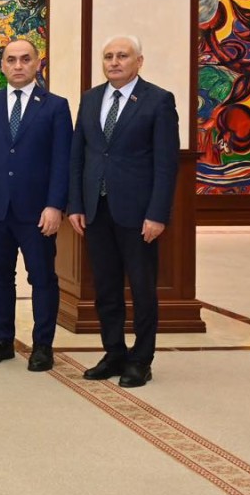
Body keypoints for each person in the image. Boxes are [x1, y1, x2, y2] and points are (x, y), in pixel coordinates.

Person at [68, 36, 179, 388]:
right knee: (106, 288)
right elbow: (78, 156)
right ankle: (113, 351)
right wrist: (76, 204)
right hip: (96, 210)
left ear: (139, 61)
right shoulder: (90, 99)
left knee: (143, 289)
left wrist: (157, 214)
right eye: (108, 56)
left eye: (122, 56)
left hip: (138, 214)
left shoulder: (158, 100)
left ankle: (141, 360)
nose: (114, 62)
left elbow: (166, 164)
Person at [0, 39, 71, 372]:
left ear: (38, 63)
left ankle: (42, 346)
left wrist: (55, 205)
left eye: (25, 59)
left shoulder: (55, 106)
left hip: (38, 212)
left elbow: (62, 161)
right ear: (2, 65)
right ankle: (1, 341)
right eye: (11, 60)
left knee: (42, 278)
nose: (18, 65)